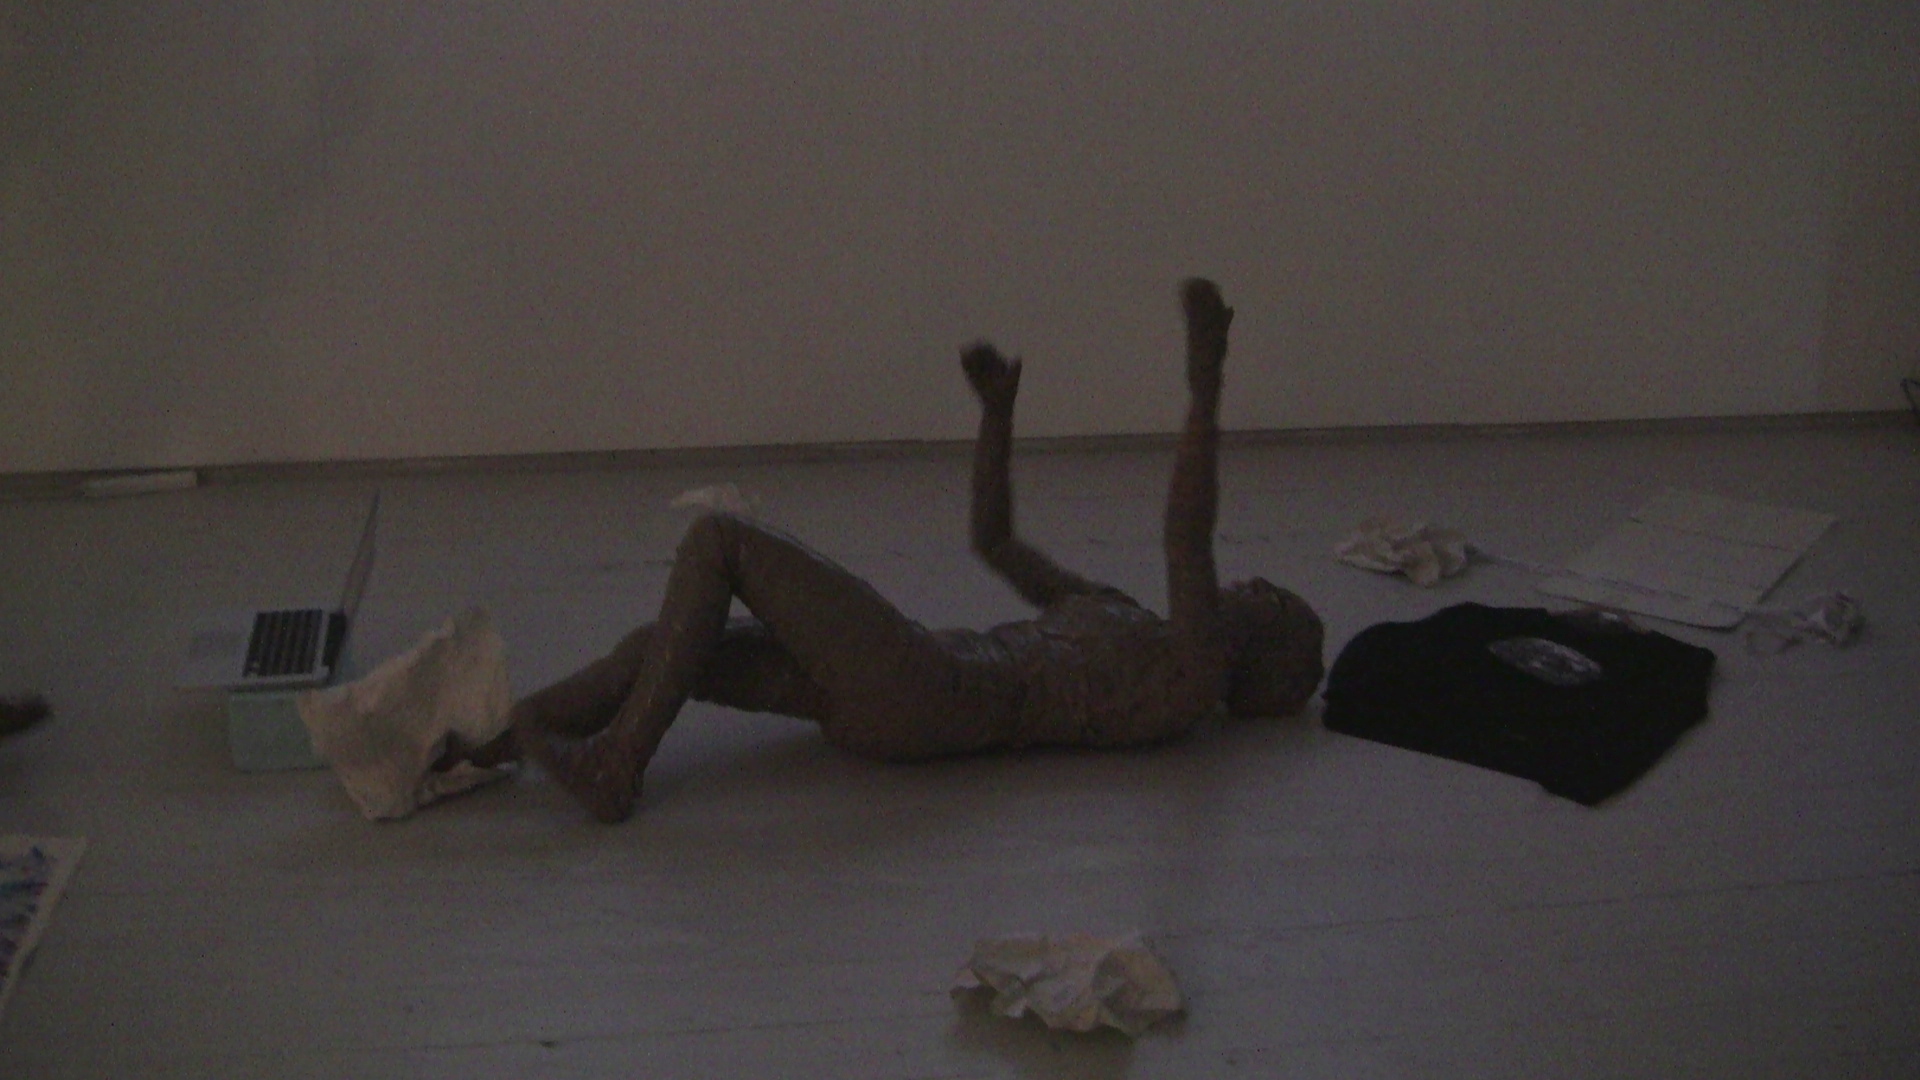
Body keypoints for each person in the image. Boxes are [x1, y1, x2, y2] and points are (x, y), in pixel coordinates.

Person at [461, 279, 1324, 822]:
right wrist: (997, 417)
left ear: (1266, 660)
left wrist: (1206, 380)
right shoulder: (1123, 617)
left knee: (720, 540)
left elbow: (1186, 537)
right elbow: (996, 542)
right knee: (663, 647)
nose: (1253, 582)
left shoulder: (1190, 679)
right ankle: (499, 743)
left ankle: (616, 765)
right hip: (911, 685)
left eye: (1272, 597)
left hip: (929, 692)